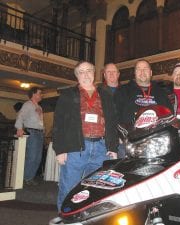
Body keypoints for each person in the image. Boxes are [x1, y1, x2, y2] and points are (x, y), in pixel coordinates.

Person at [52, 61, 118, 211]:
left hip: (102, 149)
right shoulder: (68, 95)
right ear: (77, 76)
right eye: (81, 72)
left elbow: (112, 122)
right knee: (69, 188)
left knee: (96, 190)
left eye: (89, 71)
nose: (86, 74)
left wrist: (113, 147)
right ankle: (66, 219)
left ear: (94, 74)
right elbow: (58, 124)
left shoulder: (105, 95)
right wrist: (60, 149)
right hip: (76, 148)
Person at [114, 59, 173, 125]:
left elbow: (169, 116)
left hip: (157, 134)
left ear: (151, 73)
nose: (142, 72)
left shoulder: (161, 92)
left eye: (145, 68)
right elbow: (115, 118)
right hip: (132, 134)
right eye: (139, 69)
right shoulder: (122, 91)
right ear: (135, 73)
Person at [15, 87, 44, 186]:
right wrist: (19, 128)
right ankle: (25, 178)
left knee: (38, 157)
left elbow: (39, 122)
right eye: (40, 93)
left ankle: (30, 177)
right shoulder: (27, 105)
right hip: (32, 133)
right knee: (32, 156)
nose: (41, 95)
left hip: (39, 133)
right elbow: (20, 116)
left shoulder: (40, 107)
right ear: (34, 94)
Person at [100, 62, 125, 158]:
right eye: (108, 71)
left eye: (114, 71)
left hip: (122, 140)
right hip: (103, 140)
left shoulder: (126, 91)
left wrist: (123, 134)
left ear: (118, 74)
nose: (111, 74)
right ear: (104, 75)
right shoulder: (97, 92)